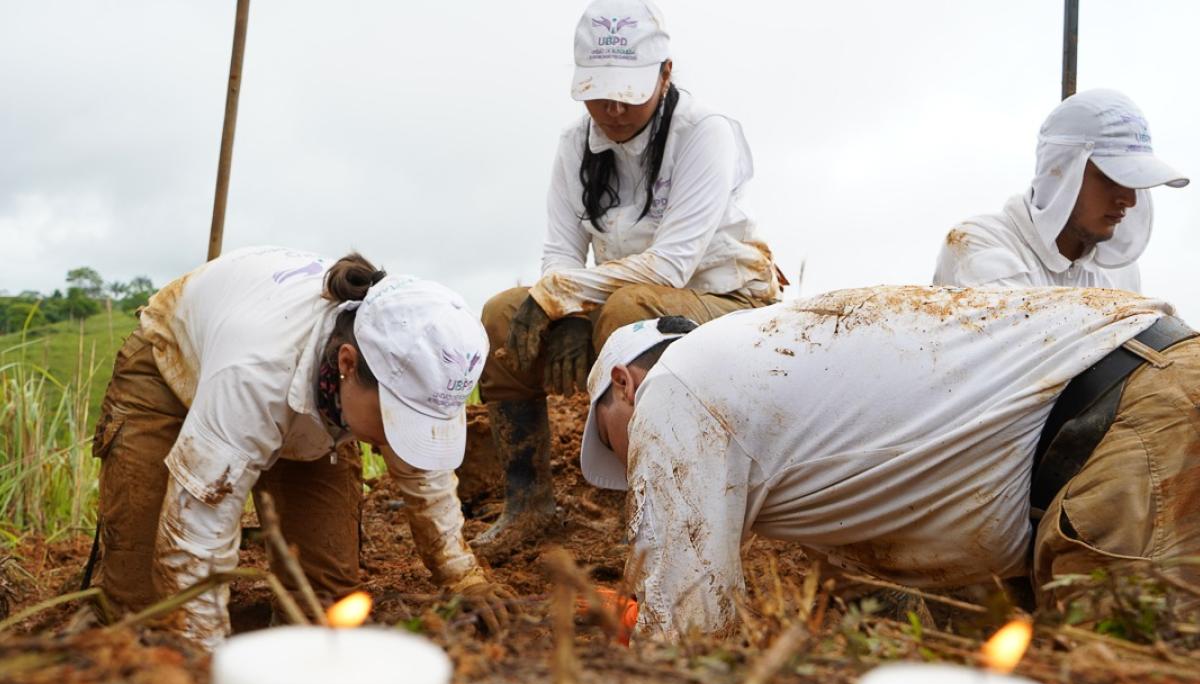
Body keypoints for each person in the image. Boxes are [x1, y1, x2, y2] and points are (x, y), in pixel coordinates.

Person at [580, 289, 1200, 639]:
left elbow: (684, 632)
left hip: (1133, 425)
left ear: (624, 385)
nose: (632, 474)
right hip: (1145, 391)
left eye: (615, 447)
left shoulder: (675, 388)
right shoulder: (773, 379)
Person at [475, 0, 783, 556]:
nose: (613, 107)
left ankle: (649, 510)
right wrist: (563, 312)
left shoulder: (704, 133)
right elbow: (560, 252)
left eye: (629, 89)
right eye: (598, 89)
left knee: (626, 318)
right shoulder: (574, 145)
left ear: (665, 74)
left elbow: (671, 266)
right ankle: (529, 503)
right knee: (503, 312)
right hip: (629, 298)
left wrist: (562, 297)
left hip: (728, 301)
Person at [91, 246, 511, 648]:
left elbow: (427, 476)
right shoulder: (254, 371)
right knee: (148, 613)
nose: (398, 441)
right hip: (174, 368)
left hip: (313, 412)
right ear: (347, 364)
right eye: (396, 419)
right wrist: (204, 664)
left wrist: (462, 576)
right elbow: (196, 531)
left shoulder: (421, 370)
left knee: (324, 609)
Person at [933, 89, 1188, 291]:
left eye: (1134, 183)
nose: (1129, 200)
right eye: (1111, 178)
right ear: (1062, 171)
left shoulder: (1119, 274)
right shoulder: (979, 243)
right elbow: (1028, 348)